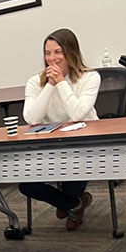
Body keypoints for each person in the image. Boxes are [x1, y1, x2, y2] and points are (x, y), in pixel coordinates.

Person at [20, 28, 100, 231]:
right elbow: (30, 118)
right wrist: (49, 85)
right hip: (51, 146)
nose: (52, 58)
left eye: (58, 52)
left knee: (72, 185)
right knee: (26, 184)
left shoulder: (89, 78)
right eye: (47, 53)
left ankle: (71, 200)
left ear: (71, 53)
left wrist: (62, 83)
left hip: (84, 145)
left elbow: (77, 114)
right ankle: (73, 204)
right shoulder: (34, 82)